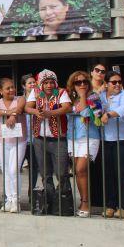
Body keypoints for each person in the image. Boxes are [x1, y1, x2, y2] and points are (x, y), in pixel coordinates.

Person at [26, 69, 73, 216]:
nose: (48, 85)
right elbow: (28, 107)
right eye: (45, 82)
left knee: (61, 173)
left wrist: (50, 113)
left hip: (58, 139)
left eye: (51, 82)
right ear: (41, 83)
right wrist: (36, 112)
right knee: (45, 173)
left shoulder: (60, 92)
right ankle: (49, 204)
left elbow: (67, 107)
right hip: (40, 139)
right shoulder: (36, 92)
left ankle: (64, 205)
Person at [65, 71, 102, 217]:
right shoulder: (69, 98)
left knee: (81, 169)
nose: (81, 84)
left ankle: (86, 202)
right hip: (72, 137)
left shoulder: (93, 97)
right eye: (77, 82)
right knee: (78, 171)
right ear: (72, 85)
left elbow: (89, 114)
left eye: (84, 82)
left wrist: (82, 96)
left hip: (89, 136)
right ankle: (82, 201)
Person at [0, 78, 27, 213]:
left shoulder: (20, 98)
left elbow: (20, 107)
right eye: (8, 88)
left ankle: (16, 200)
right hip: (1, 141)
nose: (11, 90)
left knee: (14, 170)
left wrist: (13, 115)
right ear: (0, 91)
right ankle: (9, 200)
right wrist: (7, 113)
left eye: (12, 87)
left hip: (18, 141)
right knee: (5, 170)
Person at [100, 70, 124, 219]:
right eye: (114, 82)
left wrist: (108, 114)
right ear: (106, 84)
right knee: (109, 174)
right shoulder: (100, 96)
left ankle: (123, 205)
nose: (117, 84)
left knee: (123, 174)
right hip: (106, 139)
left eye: (119, 81)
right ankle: (111, 205)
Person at [24, 0, 93, 36]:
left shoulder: (84, 32)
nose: (48, 12)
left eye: (53, 7)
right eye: (43, 9)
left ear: (66, 7)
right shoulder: (30, 34)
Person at [20, 74, 39, 203]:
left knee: (34, 168)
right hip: (21, 138)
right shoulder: (19, 99)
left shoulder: (40, 98)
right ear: (24, 86)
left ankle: (32, 192)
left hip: (34, 138)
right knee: (16, 167)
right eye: (29, 83)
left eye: (34, 82)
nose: (32, 85)